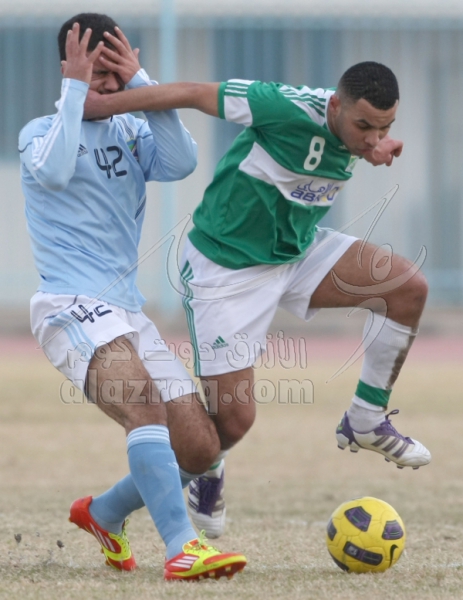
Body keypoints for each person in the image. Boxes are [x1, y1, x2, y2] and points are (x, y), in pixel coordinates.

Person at [83, 56, 431, 539]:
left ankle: (366, 419)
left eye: (385, 127)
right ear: (335, 106)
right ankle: (201, 471)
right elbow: (191, 91)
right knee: (232, 424)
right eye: (364, 126)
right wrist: (101, 105)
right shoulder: (282, 106)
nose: (373, 137)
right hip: (226, 268)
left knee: (407, 287)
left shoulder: (357, 133)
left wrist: (371, 146)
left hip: (295, 251)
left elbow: (355, 144)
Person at [18, 13, 246, 580]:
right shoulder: (38, 134)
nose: (106, 83)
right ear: (69, 70)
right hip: (69, 305)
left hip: (126, 311)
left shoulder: (131, 130)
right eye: (93, 71)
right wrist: (76, 91)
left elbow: (182, 161)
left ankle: (102, 513)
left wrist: (143, 84)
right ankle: (182, 549)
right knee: (142, 402)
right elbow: (53, 173)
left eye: (112, 71)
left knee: (199, 448)